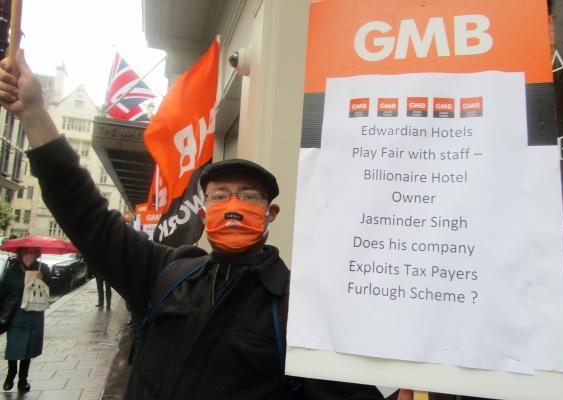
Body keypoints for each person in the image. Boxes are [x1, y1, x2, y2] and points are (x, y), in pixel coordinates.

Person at [0, 50, 399, 399]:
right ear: (203, 210)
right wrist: (35, 113)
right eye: (220, 195)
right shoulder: (166, 272)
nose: (233, 206)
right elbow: (86, 215)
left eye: (249, 195)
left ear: (270, 214)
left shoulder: (298, 310)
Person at [0, 247, 50, 392]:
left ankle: (23, 380)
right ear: (20, 254)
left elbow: (48, 290)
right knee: (14, 346)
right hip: (16, 314)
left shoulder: (43, 268)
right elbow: (2, 291)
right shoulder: (12, 270)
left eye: (31, 252)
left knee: (29, 347)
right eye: (25, 252)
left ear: (36, 254)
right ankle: (11, 375)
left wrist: (42, 280)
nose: (28, 255)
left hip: (34, 314)